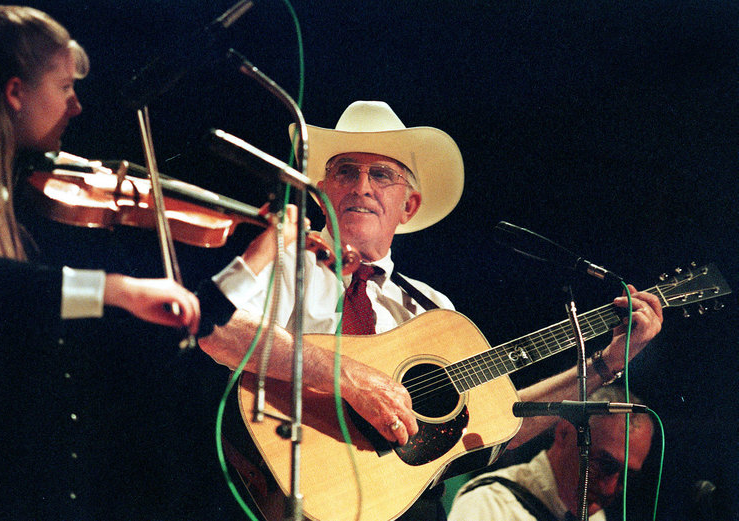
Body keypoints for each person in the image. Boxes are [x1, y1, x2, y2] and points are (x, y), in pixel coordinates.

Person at [203, 100, 664, 520]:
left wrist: (606, 363)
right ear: (322, 189)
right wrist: (346, 376)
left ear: (409, 205)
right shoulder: (281, 260)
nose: (361, 186)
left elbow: (498, 427)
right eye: (346, 171)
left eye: (381, 174)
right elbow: (215, 329)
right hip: (285, 493)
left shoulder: (432, 310)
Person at [0, 6, 228, 520]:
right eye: (63, 87)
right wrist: (112, 290)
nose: (76, 108)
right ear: (14, 93)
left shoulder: (20, 202)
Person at [447, 385, 655, 521]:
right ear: (564, 432)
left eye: (626, 476)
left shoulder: (596, 517)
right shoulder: (487, 505)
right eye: (604, 464)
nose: (609, 488)